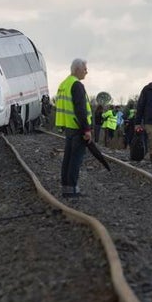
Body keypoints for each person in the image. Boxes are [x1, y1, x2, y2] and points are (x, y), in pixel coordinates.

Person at [54, 58, 93, 198]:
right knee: (75, 159)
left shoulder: (64, 84)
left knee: (68, 158)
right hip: (77, 127)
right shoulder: (76, 85)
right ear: (77, 69)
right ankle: (72, 190)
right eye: (85, 69)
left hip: (69, 126)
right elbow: (80, 109)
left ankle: (66, 188)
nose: (86, 72)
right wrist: (87, 129)